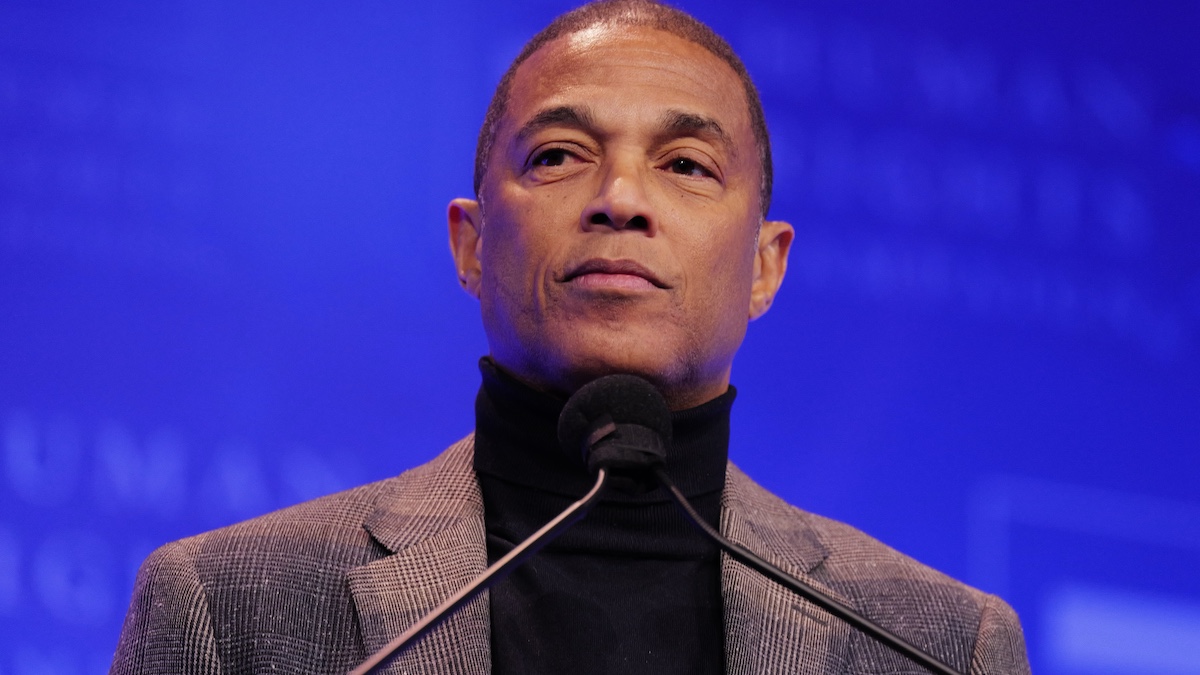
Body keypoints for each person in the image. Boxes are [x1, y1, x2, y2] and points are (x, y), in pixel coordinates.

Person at [110, 1, 1031, 673]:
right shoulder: (231, 607)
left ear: (765, 266)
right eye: (557, 155)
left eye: (685, 165)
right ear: (470, 244)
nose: (620, 199)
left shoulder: (936, 645)